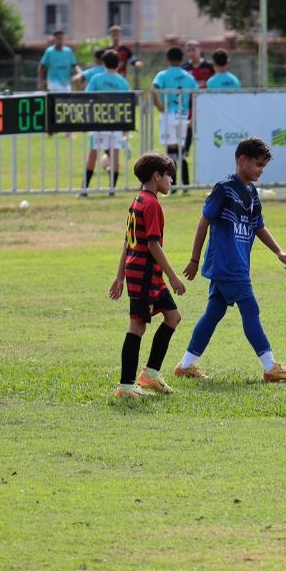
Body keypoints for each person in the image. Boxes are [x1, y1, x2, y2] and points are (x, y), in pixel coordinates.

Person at [174, 137, 286, 383]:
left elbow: (258, 226)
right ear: (242, 160)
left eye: (264, 166)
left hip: (235, 264)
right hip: (228, 264)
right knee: (251, 310)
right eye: (258, 165)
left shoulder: (252, 193)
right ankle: (270, 366)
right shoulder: (224, 189)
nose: (260, 170)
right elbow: (204, 222)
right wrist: (194, 259)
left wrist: (278, 251)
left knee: (213, 313)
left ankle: (186, 365)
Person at [107, 152, 186, 400]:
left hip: (147, 274)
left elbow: (127, 242)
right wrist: (173, 277)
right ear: (156, 176)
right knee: (137, 325)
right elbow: (153, 245)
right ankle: (125, 386)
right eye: (169, 176)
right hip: (144, 274)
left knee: (173, 317)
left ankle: (150, 374)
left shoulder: (138, 200)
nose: (171, 181)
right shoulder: (151, 204)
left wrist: (120, 277)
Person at [82, 49, 130, 197]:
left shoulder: (96, 78)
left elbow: (87, 97)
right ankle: (112, 189)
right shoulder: (123, 82)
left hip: (99, 121)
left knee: (93, 154)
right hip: (116, 122)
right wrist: (126, 128)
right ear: (118, 64)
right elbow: (127, 104)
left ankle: (84, 189)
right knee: (114, 154)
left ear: (103, 63)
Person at [151, 46, 199, 187]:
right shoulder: (189, 76)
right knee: (181, 150)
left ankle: (173, 184)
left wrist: (159, 105)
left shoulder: (163, 75)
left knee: (171, 151)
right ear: (182, 59)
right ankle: (185, 183)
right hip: (182, 115)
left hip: (168, 115)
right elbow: (197, 95)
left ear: (168, 59)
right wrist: (193, 116)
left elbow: (153, 89)